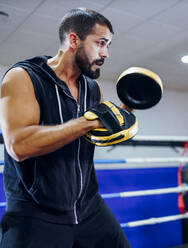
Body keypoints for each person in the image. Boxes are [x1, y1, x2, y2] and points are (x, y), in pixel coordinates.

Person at [0, 8, 132, 247]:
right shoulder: (23, 77)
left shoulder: (92, 88)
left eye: (108, 45)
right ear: (74, 40)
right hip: (37, 214)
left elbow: (95, 135)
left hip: (88, 207)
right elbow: (18, 145)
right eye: (101, 43)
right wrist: (87, 121)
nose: (106, 53)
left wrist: (124, 117)